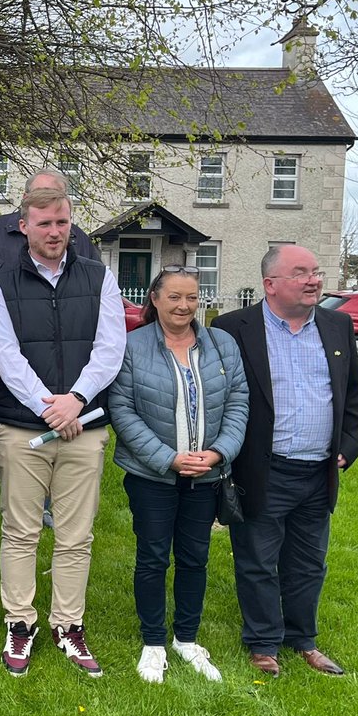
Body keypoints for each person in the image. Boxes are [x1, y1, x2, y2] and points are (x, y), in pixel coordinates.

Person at [0, 185, 125, 678]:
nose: (54, 232)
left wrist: (76, 401)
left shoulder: (99, 277)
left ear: (72, 224)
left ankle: (68, 625)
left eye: (62, 222)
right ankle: (19, 624)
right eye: (44, 223)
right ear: (23, 226)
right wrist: (49, 407)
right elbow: (5, 355)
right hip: (23, 429)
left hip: (83, 427)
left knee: (76, 536)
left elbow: (111, 348)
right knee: (20, 532)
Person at [212, 245, 358, 677]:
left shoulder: (338, 325)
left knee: (309, 562)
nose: (314, 279)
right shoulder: (233, 328)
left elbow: (354, 393)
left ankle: (303, 639)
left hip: (319, 470)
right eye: (301, 273)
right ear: (271, 284)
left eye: (315, 271)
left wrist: (349, 444)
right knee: (258, 559)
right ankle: (263, 643)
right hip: (263, 468)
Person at [109, 266, 249, 683]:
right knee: (152, 558)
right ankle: (153, 642)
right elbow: (122, 409)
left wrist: (219, 453)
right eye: (174, 297)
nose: (184, 306)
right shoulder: (133, 346)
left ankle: (186, 638)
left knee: (195, 558)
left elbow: (239, 401)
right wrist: (167, 458)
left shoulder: (221, 344)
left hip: (206, 475)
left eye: (192, 297)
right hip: (152, 475)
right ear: (154, 299)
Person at [0, 168, 102, 522]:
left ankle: (47, 500)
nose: (53, 228)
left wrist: (72, 401)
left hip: (65, 352)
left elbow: (93, 293)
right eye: (39, 197)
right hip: (7, 341)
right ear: (25, 204)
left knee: (59, 441)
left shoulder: (80, 239)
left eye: (55, 198)